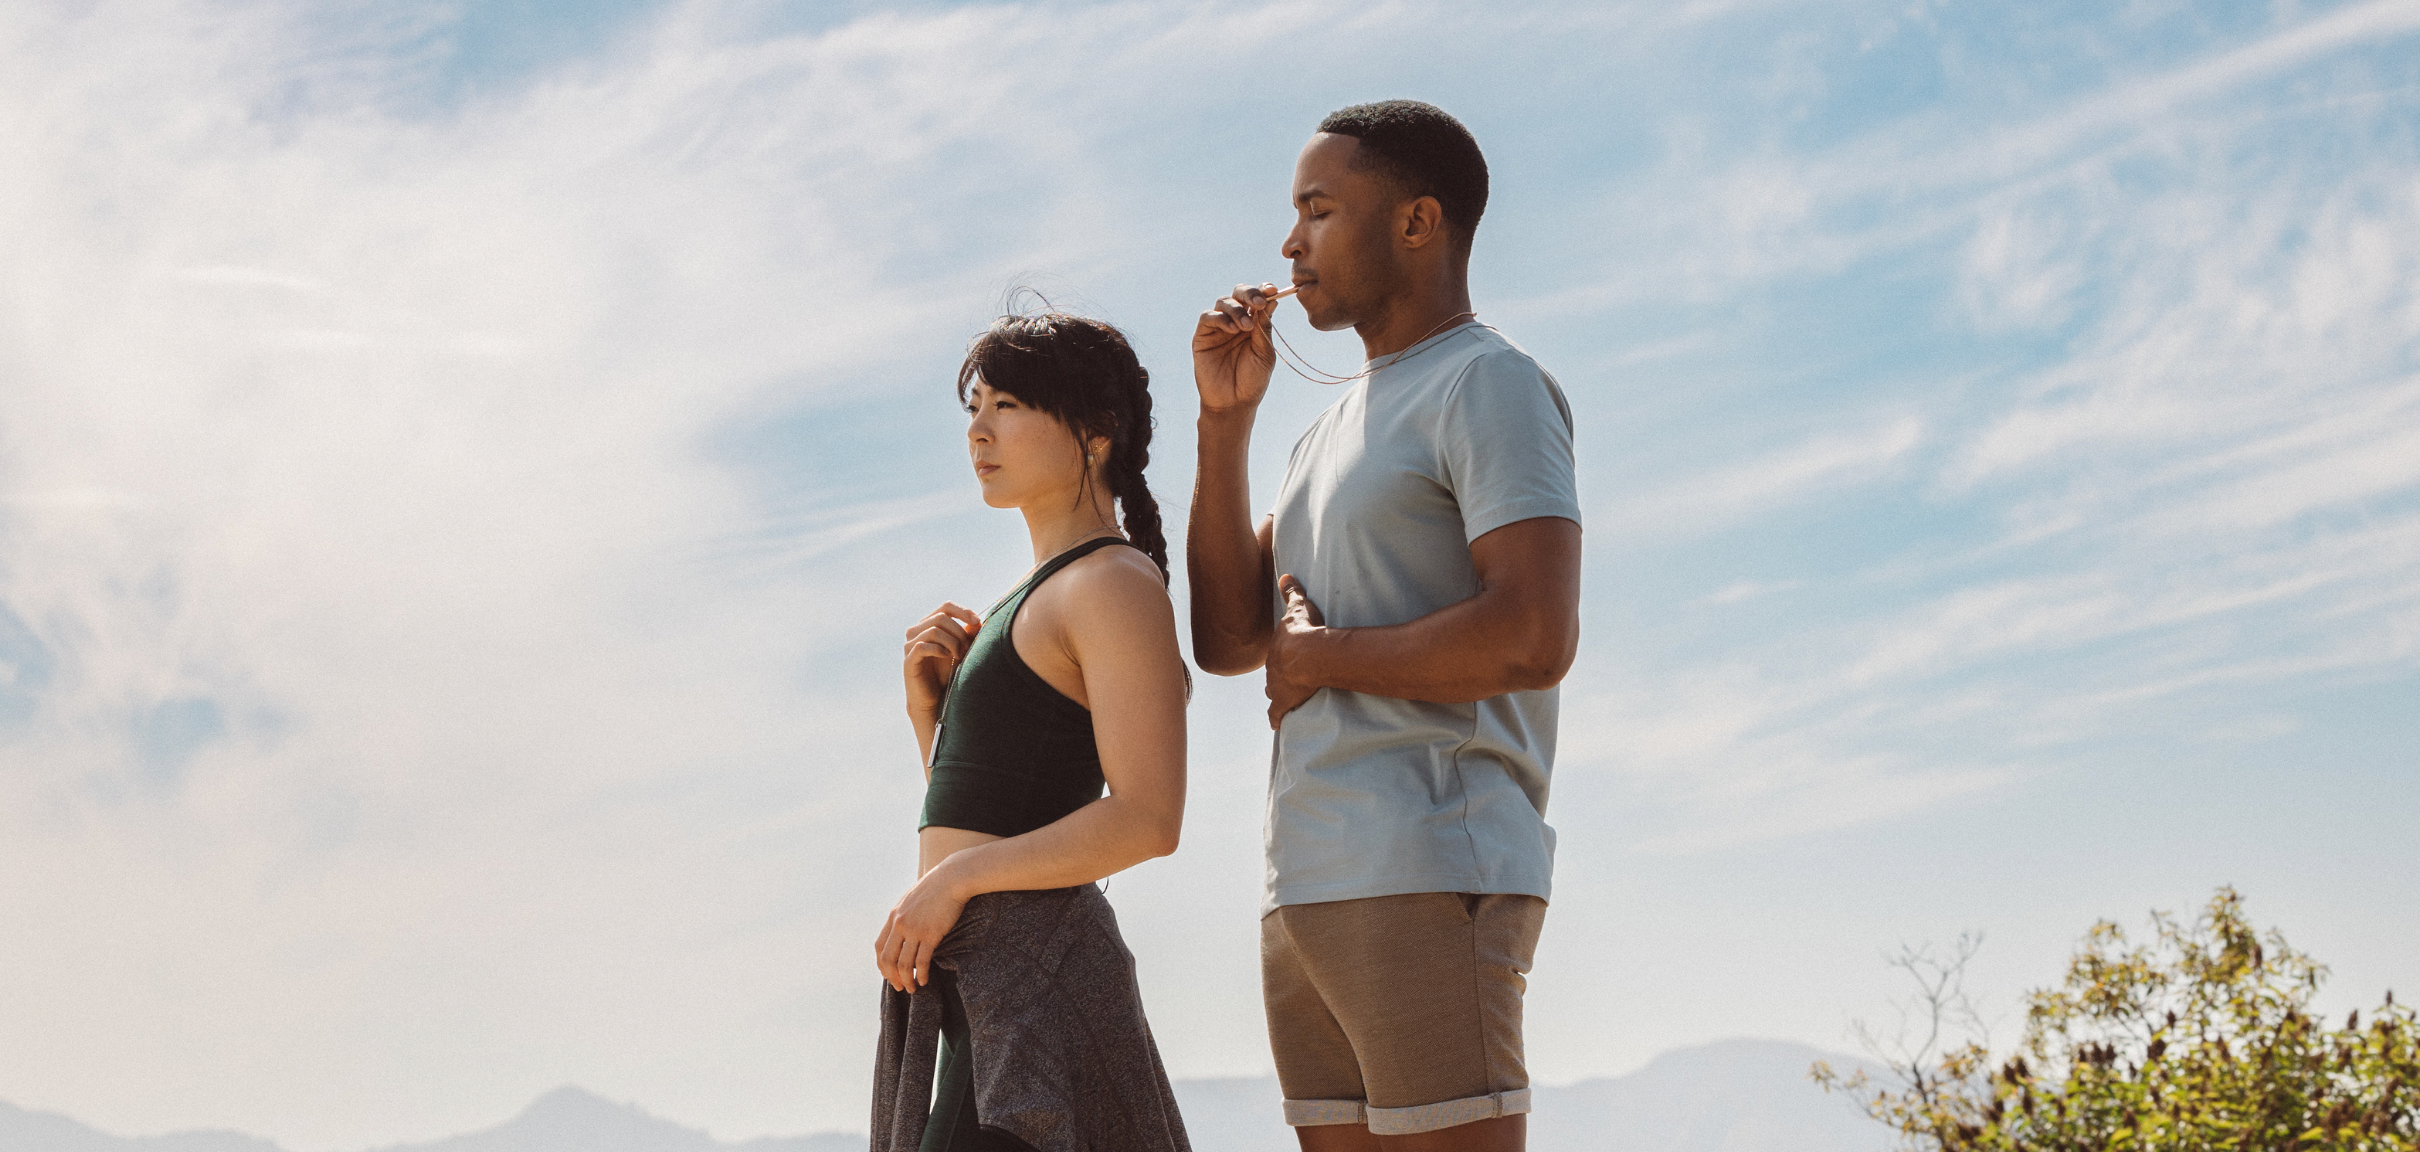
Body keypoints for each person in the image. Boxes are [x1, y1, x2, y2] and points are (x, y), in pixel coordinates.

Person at [1186, 101, 1584, 1151]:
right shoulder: (1325, 430)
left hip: (1428, 865)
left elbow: (1533, 635)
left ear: (1416, 222)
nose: (1289, 244)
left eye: (1318, 211)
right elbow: (1228, 641)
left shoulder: (1488, 382)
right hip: (1308, 885)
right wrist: (1224, 427)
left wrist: (1325, 659)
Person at [869, 311, 1194, 1152]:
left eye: (1008, 405)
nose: (978, 430)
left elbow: (1149, 818)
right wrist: (930, 719)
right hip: (986, 991)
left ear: (1097, 430)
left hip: (1034, 986)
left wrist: (954, 880)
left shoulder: (1111, 582)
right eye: (975, 407)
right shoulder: (1037, 593)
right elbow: (1007, 809)